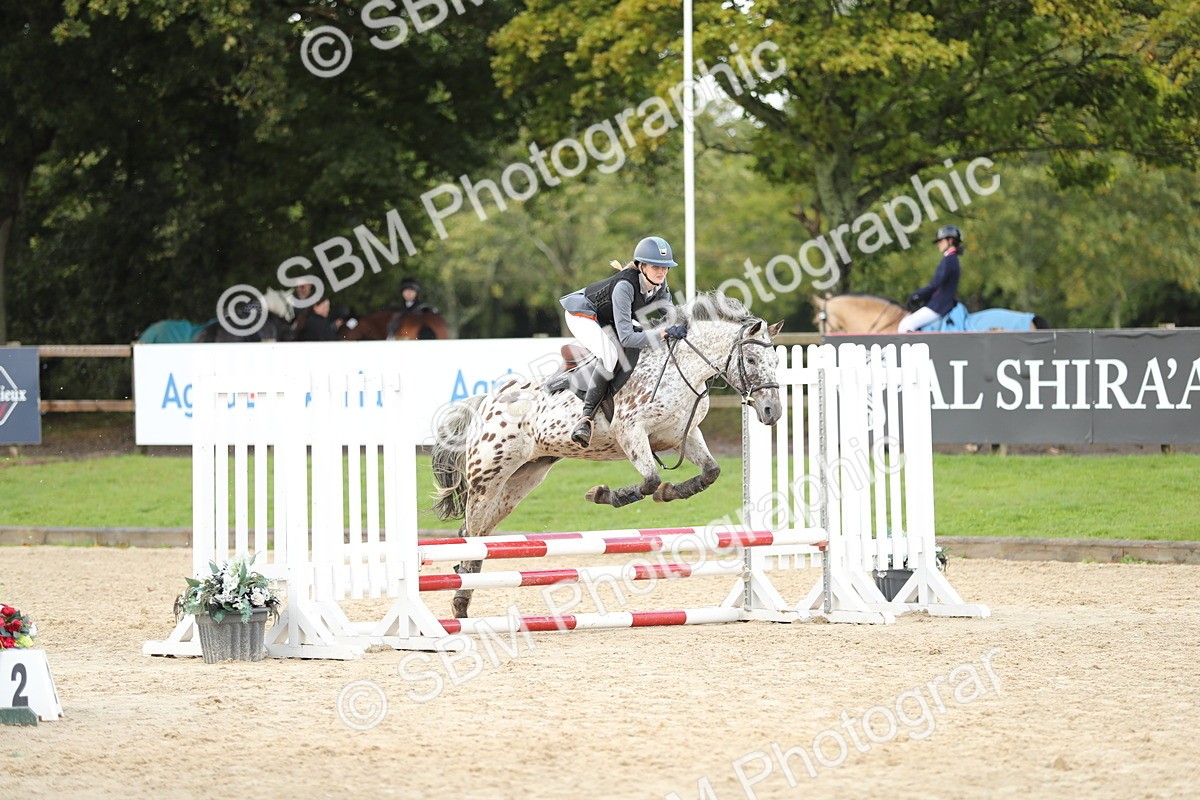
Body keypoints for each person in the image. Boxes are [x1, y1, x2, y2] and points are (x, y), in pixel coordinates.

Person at [559, 236, 688, 447]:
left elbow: (672, 317)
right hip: (582, 314)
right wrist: (663, 334)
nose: (662, 272)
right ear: (641, 266)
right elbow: (628, 337)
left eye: (665, 267)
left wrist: (687, 326)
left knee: (640, 342)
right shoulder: (625, 287)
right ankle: (586, 418)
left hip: (607, 316)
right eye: (656, 266)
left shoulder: (660, 284)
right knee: (610, 356)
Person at [899, 225, 963, 333]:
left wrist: (917, 295)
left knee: (906, 325)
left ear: (950, 240)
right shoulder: (951, 259)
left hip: (940, 305)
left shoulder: (949, 260)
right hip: (939, 302)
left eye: (941, 241)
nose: (939, 244)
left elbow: (935, 284)